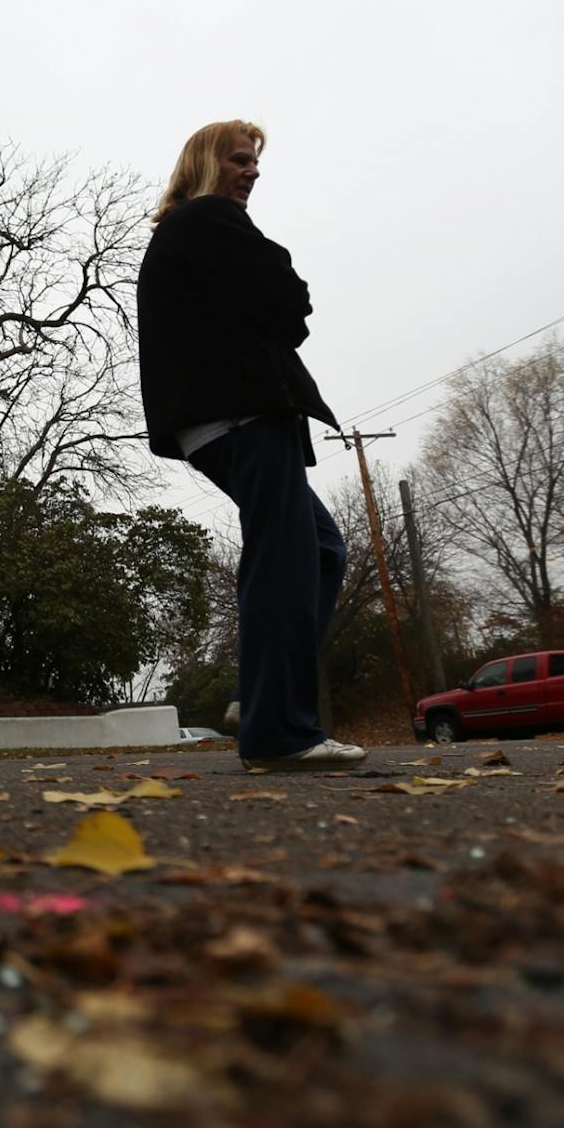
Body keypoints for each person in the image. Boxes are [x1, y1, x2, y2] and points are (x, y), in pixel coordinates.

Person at [136, 120, 364, 770]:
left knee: (318, 552)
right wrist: (280, 285)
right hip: (242, 414)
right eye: (240, 160)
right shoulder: (207, 218)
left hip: (217, 420)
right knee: (285, 559)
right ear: (206, 163)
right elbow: (291, 300)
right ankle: (278, 732)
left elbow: (276, 309)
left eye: (255, 163)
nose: (252, 172)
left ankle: (256, 700)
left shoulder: (186, 234)